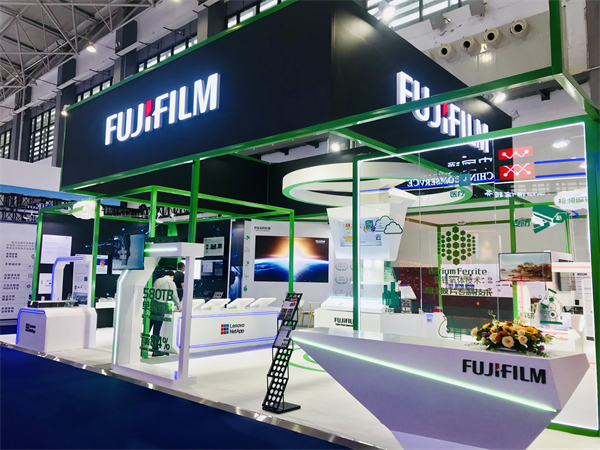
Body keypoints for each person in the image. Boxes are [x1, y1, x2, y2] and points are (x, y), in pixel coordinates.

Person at [149, 270, 180, 356]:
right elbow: (174, 295)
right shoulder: (170, 282)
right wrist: (178, 305)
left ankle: (141, 348)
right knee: (157, 329)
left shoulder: (157, 280)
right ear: (172, 276)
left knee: (148, 328)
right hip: (161, 306)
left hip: (152, 305)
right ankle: (155, 350)